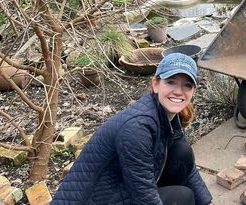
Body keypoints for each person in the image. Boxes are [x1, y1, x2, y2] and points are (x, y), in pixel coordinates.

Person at [52, 53, 214, 205]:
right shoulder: (137, 128)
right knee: (182, 197)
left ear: (193, 91)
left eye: (187, 85)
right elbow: (144, 196)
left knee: (181, 152)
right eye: (171, 82)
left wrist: (206, 201)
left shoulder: (169, 115)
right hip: (93, 200)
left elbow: (188, 167)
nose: (178, 91)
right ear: (156, 84)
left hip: (116, 188)